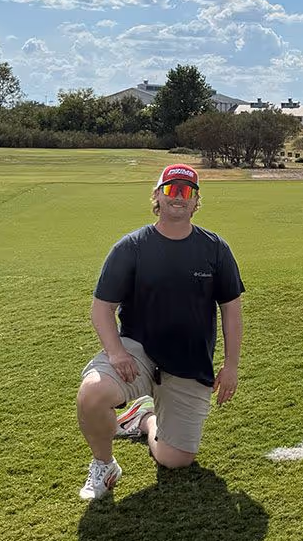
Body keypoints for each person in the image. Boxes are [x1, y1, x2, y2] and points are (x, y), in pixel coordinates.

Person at [76, 163, 245, 501]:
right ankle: (104, 464)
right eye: (171, 190)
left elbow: (231, 308)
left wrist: (231, 365)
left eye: (187, 191)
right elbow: (102, 308)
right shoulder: (131, 247)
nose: (178, 197)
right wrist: (115, 352)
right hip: (137, 352)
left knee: (175, 460)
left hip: (188, 362)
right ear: (156, 196)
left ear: (196, 201)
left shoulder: (215, 248)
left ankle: (143, 420)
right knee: (92, 394)